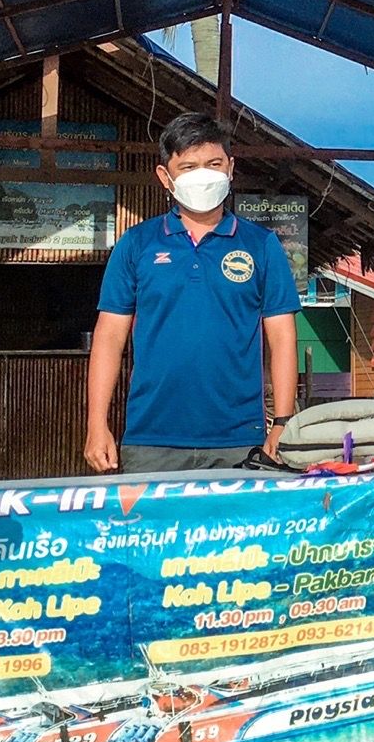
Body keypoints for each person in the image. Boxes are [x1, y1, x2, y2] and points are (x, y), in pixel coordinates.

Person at [83, 112, 300, 473]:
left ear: (230, 168)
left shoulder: (262, 245)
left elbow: (281, 337)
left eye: (213, 164)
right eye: (188, 166)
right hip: (150, 440)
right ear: (165, 177)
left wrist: (282, 422)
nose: (203, 175)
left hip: (240, 441)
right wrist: (96, 425)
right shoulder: (137, 244)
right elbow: (109, 338)